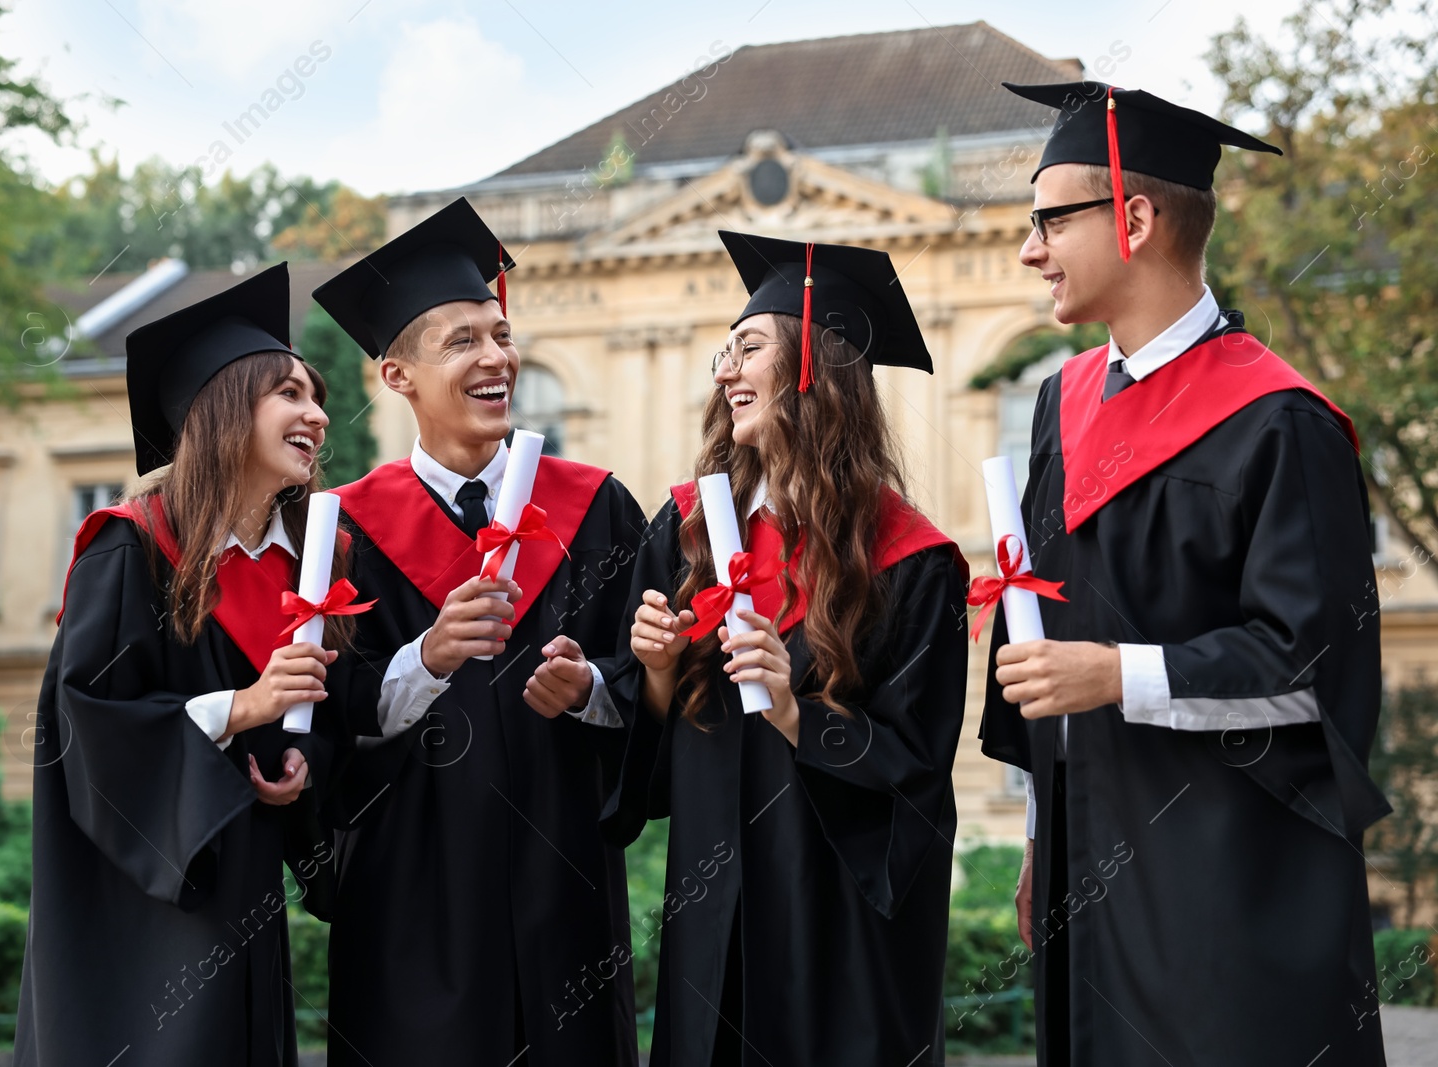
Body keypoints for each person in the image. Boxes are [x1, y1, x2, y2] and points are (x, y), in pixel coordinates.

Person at [980, 81, 1388, 1066]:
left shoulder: (1278, 420)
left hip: (1229, 871)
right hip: (1089, 855)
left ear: (1133, 217)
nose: (1029, 249)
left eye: (1048, 221)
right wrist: (1042, 825)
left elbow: (1311, 659)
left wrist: (1120, 674)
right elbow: (1040, 636)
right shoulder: (1058, 404)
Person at [604, 230, 970, 1066]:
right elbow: (644, 765)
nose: (726, 370)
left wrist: (798, 714)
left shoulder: (912, 562)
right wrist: (656, 671)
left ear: (814, 368)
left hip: (837, 942)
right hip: (710, 929)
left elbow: (916, 774)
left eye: (750, 348)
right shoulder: (686, 535)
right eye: (721, 355)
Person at [312, 197, 646, 1066]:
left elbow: (654, 677)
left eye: (500, 335)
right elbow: (321, 714)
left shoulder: (596, 507)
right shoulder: (343, 531)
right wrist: (424, 657)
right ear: (397, 377)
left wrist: (596, 690)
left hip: (563, 891)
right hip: (411, 900)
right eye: (463, 341)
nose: (498, 356)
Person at [15, 263, 351, 1066]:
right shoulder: (128, 549)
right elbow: (85, 723)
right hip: (139, 901)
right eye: (291, 394)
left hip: (241, 892)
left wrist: (300, 772)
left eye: (317, 395)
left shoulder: (304, 570)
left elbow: (327, 725)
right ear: (225, 410)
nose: (318, 413)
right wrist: (243, 707)